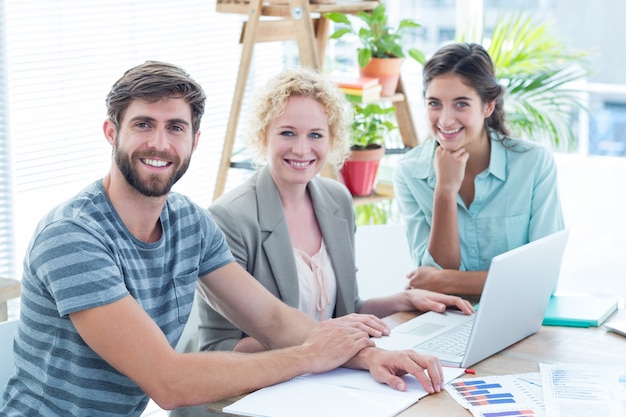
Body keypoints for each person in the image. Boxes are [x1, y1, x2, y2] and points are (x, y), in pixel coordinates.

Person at [1, 61, 453, 417]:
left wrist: (367, 356)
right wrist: (311, 355)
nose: (159, 143)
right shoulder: (73, 238)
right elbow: (170, 382)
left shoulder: (187, 221)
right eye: (143, 124)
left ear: (195, 140)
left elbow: (273, 320)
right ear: (111, 132)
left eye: (175, 127)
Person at [196, 67, 474, 356]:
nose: (302, 149)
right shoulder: (229, 218)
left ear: (332, 139)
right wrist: (323, 336)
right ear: (263, 135)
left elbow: (347, 309)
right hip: (262, 386)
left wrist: (405, 300)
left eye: (316, 135)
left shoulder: (336, 199)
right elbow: (218, 349)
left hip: (327, 373)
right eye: (288, 133)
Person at [393, 43, 565, 298]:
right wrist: (445, 192)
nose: (445, 120)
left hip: (518, 317)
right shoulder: (410, 172)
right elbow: (432, 277)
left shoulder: (533, 164)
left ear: (488, 106)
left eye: (461, 104)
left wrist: (447, 281)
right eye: (435, 103)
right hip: (442, 318)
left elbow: (544, 278)